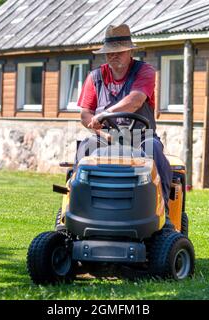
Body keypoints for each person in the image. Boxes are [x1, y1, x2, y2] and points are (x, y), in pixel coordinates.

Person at [76, 24, 173, 224]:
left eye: (118, 52)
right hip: (106, 138)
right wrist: (100, 132)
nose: (113, 56)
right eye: (109, 52)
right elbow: (85, 114)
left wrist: (105, 113)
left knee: (153, 149)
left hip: (141, 136)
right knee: (85, 147)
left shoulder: (144, 71)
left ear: (130, 51)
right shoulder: (95, 77)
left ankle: (163, 211)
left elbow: (136, 100)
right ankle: (76, 206)